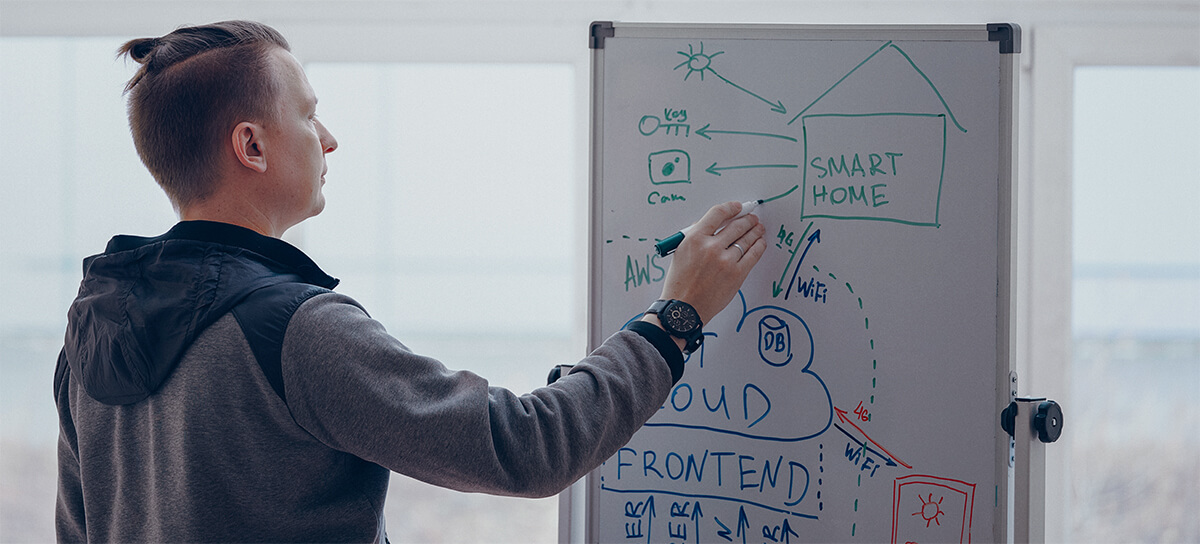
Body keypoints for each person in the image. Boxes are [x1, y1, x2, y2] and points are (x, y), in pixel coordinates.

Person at [53, 20, 766, 542]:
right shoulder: (294, 330)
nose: (328, 138)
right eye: (307, 113)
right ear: (251, 145)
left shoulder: (88, 341)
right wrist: (676, 316)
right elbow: (525, 449)